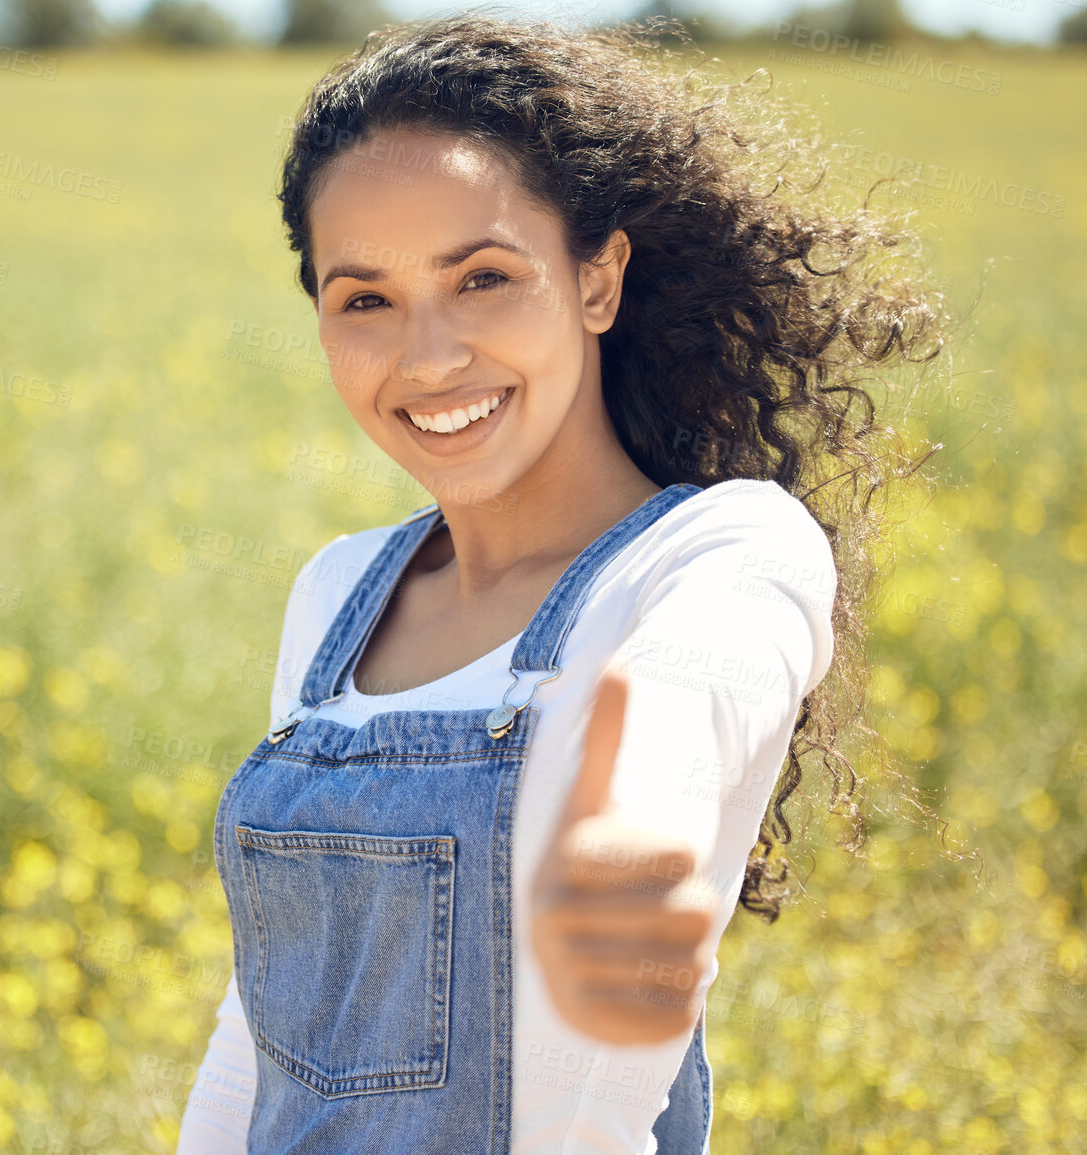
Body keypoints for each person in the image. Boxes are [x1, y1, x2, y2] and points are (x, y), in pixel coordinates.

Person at [178, 12, 943, 1153]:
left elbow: (679, 719)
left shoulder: (719, 555)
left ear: (598, 280)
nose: (428, 357)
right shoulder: (335, 598)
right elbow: (261, 1029)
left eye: (482, 278)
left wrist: (634, 817)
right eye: (366, 298)